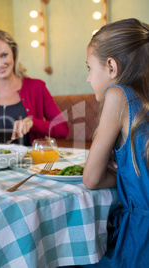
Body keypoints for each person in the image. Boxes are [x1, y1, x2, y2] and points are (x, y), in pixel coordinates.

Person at [83, 18, 149, 267]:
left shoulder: (118, 95)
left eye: (89, 68)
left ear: (111, 66)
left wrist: (115, 171)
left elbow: (91, 178)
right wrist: (125, 172)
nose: (89, 79)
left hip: (140, 242)